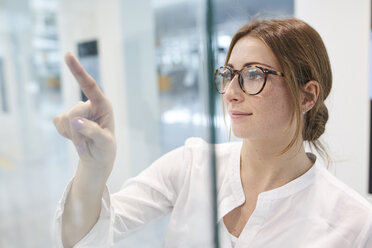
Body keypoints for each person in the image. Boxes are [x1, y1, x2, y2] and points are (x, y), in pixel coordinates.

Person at [53, 18, 372, 248]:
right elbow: (79, 238)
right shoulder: (192, 164)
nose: (231, 92)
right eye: (228, 74)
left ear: (307, 96)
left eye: (252, 74)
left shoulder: (354, 224)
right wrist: (92, 172)